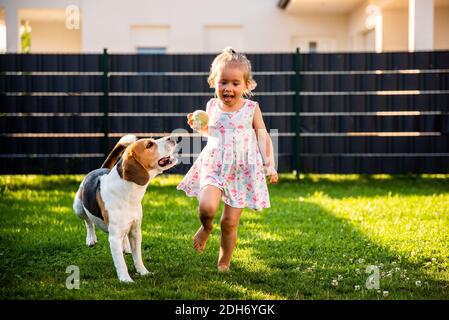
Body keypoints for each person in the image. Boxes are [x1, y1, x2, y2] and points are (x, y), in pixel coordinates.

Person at [177, 47, 278, 272]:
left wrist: (270, 163)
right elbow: (211, 132)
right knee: (207, 208)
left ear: (246, 85)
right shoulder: (211, 106)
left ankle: (224, 262)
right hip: (214, 164)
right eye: (223, 82)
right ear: (214, 82)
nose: (228, 88)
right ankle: (205, 227)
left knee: (229, 222)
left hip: (242, 170)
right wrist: (198, 127)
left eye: (235, 83)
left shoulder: (251, 109)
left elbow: (262, 135)